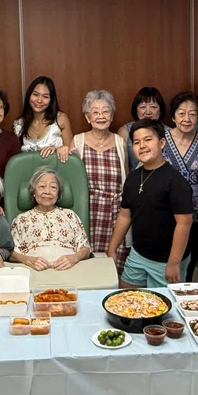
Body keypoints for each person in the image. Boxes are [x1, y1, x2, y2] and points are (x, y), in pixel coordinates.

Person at [107, 120, 193, 287]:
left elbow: (184, 224)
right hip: (138, 254)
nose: (142, 146)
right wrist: (112, 248)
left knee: (163, 308)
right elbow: (125, 216)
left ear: (161, 143)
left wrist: (174, 263)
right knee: (126, 298)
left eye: (148, 140)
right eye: (137, 142)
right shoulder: (133, 178)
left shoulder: (176, 181)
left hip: (166, 260)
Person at [73, 90, 129, 270]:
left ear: (111, 116)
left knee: (114, 262)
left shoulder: (120, 142)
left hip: (116, 213)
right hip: (87, 211)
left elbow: (126, 178)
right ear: (88, 117)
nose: (101, 116)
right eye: (95, 112)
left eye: (105, 111)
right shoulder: (78, 140)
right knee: (87, 261)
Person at [163, 92, 198, 282]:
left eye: (192, 114)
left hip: (196, 215)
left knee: (189, 263)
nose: (186, 118)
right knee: (164, 262)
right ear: (173, 116)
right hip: (165, 213)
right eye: (181, 113)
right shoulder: (161, 141)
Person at [10, 167, 91, 271]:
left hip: (70, 271)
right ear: (33, 191)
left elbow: (85, 248)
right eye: (42, 186)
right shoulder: (21, 220)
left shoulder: (70, 215)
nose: (47, 191)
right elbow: (12, 253)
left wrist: (74, 258)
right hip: (34, 273)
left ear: (58, 194)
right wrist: (27, 260)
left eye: (53, 187)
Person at [14, 76, 74, 161]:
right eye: (35, 94)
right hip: (28, 173)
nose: (39, 100)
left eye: (45, 97)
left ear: (51, 100)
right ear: (29, 95)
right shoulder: (19, 124)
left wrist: (57, 149)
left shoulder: (61, 119)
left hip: (56, 171)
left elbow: (72, 154)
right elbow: (16, 159)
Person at [118, 87, 167, 170]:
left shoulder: (170, 132)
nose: (148, 112)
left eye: (153, 107)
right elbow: (122, 166)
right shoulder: (125, 131)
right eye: (143, 107)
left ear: (160, 110)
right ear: (136, 110)